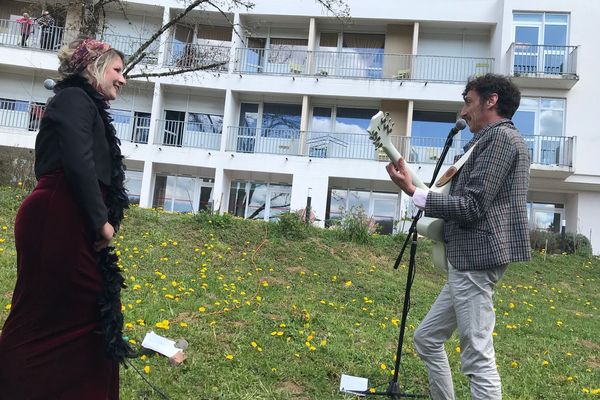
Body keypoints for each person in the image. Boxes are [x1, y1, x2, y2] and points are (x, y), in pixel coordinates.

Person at [0, 37, 132, 399]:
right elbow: (78, 160)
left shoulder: (86, 105)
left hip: (69, 216)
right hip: (57, 216)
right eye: (118, 70)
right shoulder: (74, 98)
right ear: (95, 67)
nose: (123, 79)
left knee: (90, 313)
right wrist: (100, 221)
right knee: (43, 315)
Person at [386, 73, 530, 400]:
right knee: (427, 339)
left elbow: (473, 206)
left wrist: (414, 193)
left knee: (477, 356)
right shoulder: (486, 141)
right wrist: (413, 185)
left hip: (476, 259)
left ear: (491, 100)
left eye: (467, 102)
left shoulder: (501, 140)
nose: (462, 113)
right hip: (467, 260)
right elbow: (458, 198)